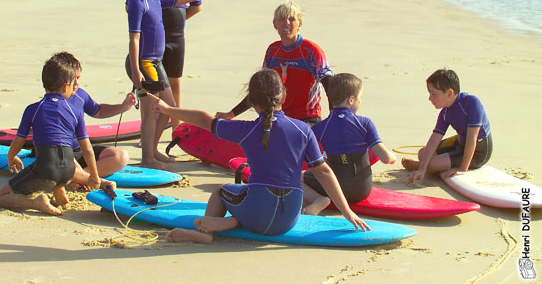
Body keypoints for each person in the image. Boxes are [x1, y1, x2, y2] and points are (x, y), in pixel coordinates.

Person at [149, 69, 369, 244]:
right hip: (289, 219)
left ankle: (214, 229)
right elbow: (324, 171)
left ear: (253, 103)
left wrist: (167, 109)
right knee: (260, 197)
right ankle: (235, 221)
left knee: (221, 192)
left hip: (258, 214)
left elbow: (205, 120)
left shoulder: (247, 130)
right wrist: (347, 211)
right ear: (283, 95)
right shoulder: (303, 129)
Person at [127, 0, 230, 171]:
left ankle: (153, 151)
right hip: (144, 64)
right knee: (151, 112)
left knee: (169, 109)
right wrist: (136, 71)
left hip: (156, 63)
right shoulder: (137, 2)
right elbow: (134, 38)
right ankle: (147, 159)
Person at [0, 55, 102, 215]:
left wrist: (11, 157)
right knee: (56, 174)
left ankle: (37, 203)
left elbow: (19, 141)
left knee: (2, 196)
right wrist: (93, 175)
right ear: (66, 86)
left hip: (46, 170)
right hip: (69, 173)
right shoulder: (76, 112)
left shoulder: (33, 109)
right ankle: (60, 196)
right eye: (74, 83)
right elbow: (87, 148)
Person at [216, 1, 333, 126]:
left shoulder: (311, 50)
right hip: (278, 117)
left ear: (300, 24)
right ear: (275, 24)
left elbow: (330, 85)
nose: (286, 23)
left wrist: (333, 117)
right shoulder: (273, 51)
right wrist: (232, 114)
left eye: (292, 19)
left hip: (307, 119)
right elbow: (260, 89)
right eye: (282, 19)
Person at [301, 73, 396, 215]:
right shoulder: (365, 123)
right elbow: (386, 158)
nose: (360, 101)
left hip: (335, 189)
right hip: (362, 191)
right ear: (351, 100)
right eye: (359, 98)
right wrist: (392, 156)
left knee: (298, 177)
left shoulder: (321, 127)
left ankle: (319, 198)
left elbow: (301, 154)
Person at [48, 52, 136, 189]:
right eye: (73, 79)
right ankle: (80, 178)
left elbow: (98, 111)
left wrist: (123, 107)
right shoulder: (51, 106)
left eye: (78, 78)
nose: (77, 83)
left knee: (121, 156)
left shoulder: (80, 95)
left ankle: (80, 178)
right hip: (58, 154)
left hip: (78, 152)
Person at [404, 68, 493, 182]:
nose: (430, 98)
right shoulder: (445, 113)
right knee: (422, 153)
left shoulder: (471, 103)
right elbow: (434, 140)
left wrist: (462, 168)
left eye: (433, 94)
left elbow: (472, 139)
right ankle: (423, 166)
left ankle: (427, 166)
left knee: (432, 165)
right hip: (460, 143)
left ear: (449, 93)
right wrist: (422, 169)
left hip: (478, 151)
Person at [152, 0, 202, 127]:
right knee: (153, 84)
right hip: (153, 38)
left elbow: (196, 5)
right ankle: (151, 123)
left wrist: (178, 23)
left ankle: (176, 126)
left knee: (174, 82)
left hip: (175, 38)